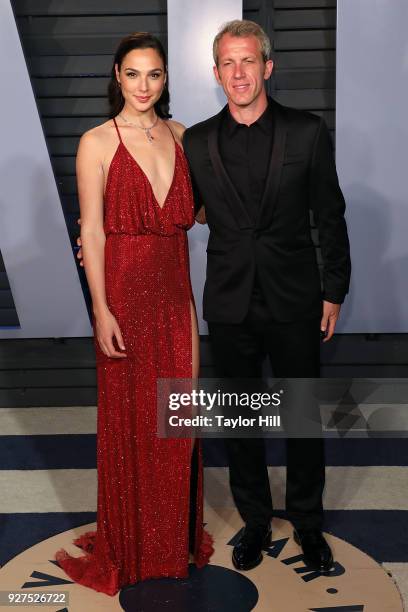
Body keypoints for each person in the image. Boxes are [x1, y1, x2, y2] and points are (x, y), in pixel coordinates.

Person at [181, 20, 351, 572]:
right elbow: (175, 214)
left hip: (296, 296)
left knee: (302, 415)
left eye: (248, 61)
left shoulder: (306, 131)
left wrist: (334, 289)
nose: (238, 73)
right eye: (228, 64)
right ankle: (255, 519)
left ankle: (307, 522)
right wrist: (101, 243)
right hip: (230, 301)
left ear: (267, 67)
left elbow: (330, 214)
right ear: (215, 73)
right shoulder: (198, 141)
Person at [55, 32, 213, 596]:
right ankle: (133, 546)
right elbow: (92, 231)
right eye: (133, 74)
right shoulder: (96, 142)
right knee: (129, 421)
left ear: (165, 78)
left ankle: (173, 543)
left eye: (155, 74)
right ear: (116, 77)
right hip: (122, 294)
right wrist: (99, 308)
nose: (144, 85)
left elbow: (194, 210)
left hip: (176, 295)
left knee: (177, 416)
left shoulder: (184, 137)